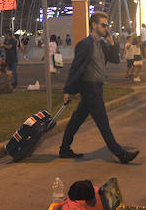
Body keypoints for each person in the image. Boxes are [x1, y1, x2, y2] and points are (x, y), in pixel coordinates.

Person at [59, 11, 139, 164]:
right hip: (89, 88)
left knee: (76, 120)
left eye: (107, 25)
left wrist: (112, 42)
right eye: (103, 25)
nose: (106, 28)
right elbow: (75, 67)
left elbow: (116, 59)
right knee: (103, 123)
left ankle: (64, 149)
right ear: (94, 25)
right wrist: (68, 90)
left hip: (97, 88)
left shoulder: (102, 44)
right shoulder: (85, 44)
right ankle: (120, 154)